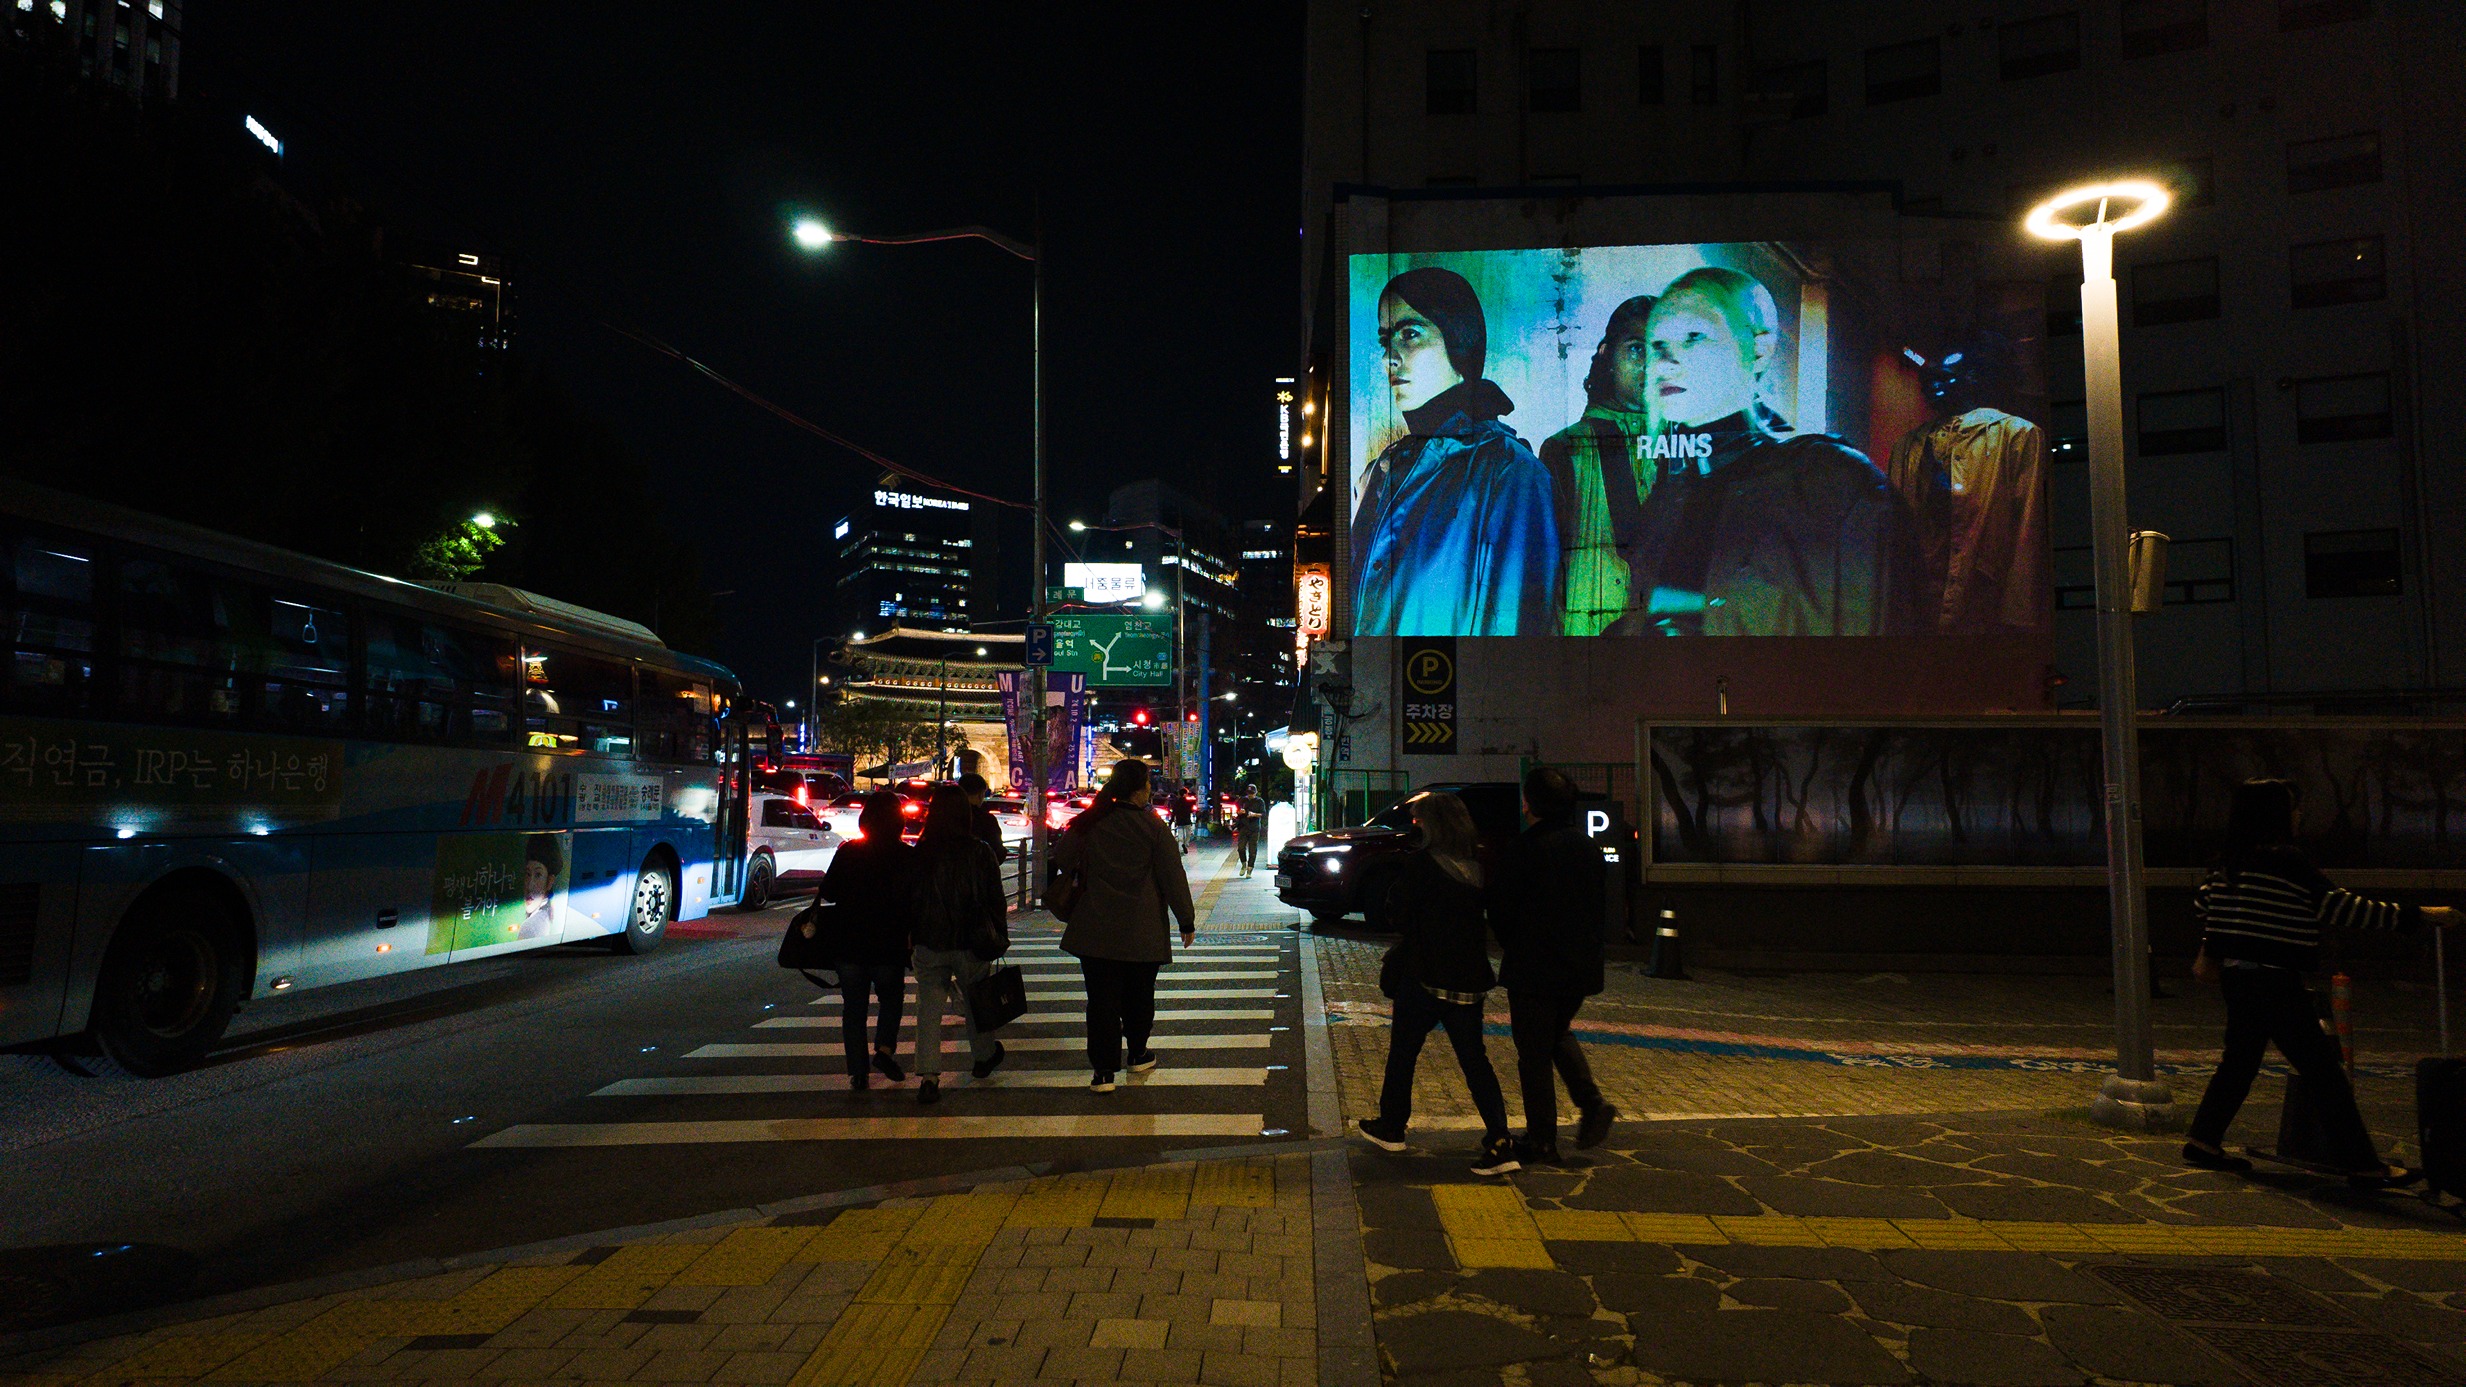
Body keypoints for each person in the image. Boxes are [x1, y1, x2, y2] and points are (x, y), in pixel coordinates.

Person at [1620, 266, 1926, 637]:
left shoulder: (1835, 486)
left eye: (1693, 336)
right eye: (1657, 346)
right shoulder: (1672, 493)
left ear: (1760, 350)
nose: (1666, 363)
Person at [2181, 779, 2455, 1183]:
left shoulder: (2227, 864)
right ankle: (2362, 1163)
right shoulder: (2288, 862)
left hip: (2238, 979)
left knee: (2239, 1062)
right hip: (2276, 982)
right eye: (2292, 807)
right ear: (2274, 814)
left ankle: (2203, 1140)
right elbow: (2341, 907)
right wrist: (2418, 915)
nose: (2298, 814)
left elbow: (2204, 903)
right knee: (2323, 1071)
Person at [1352, 266, 1562, 636]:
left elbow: (1515, 629)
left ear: (1458, 340)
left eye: (1410, 334)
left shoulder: (1511, 473)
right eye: (1386, 341)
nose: (1391, 358)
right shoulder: (1379, 472)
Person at [1356, 792, 1521, 1176]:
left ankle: (1392, 1127)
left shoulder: (1421, 866)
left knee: (1403, 1053)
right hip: (1469, 979)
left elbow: (1397, 913)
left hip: (1426, 975)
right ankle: (1500, 1138)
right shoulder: (1477, 868)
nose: (1416, 827)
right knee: (1474, 1059)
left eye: (1420, 821)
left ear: (1433, 825)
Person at [1885, 332, 2051, 634]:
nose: (1931, 385)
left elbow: (2028, 530)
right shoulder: (1907, 446)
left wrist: (2018, 613)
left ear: (1972, 378)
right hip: (1920, 601)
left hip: (1982, 600)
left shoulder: (2016, 436)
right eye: (1928, 377)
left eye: (1943, 376)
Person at [1492, 766, 1617, 1163]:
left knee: (1532, 1052)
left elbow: (1502, 910)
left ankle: (1543, 1137)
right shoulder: (1587, 849)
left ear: (1529, 803)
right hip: (1578, 967)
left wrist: (1513, 943)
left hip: (1534, 966)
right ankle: (1591, 1104)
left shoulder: (1526, 848)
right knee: (1556, 1033)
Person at [1055, 757, 1196, 1091]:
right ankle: (1137, 1053)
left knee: (1101, 1001)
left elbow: (1061, 857)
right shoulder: (1153, 828)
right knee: (1139, 996)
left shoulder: (1090, 822)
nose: (1150, 789)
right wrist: (1185, 921)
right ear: (1138, 789)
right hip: (1141, 930)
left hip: (1095, 928)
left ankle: (1103, 1072)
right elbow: (1172, 877)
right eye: (1148, 783)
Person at [1540, 295, 1657, 636]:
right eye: (1637, 349)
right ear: (1607, 355)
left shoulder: (1687, 446)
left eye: (1661, 351)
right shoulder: (1565, 448)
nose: (1650, 365)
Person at [908, 785, 1010, 1104]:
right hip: (971, 941)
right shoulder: (980, 851)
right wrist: (999, 938)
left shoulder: (921, 851)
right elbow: (995, 899)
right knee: (977, 1000)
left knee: (929, 1008)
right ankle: (982, 1058)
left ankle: (928, 1075)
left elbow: (910, 899)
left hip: (929, 940)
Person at [817, 791, 914, 1091]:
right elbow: (915, 900)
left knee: (854, 1008)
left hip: (850, 943)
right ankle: (884, 1049)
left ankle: (858, 1072)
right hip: (889, 942)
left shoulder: (849, 852)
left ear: (865, 820)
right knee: (891, 999)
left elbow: (829, 892)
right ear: (898, 822)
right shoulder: (906, 855)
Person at [958, 772, 1011, 863]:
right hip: (977, 872)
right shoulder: (986, 820)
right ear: (980, 795)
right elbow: (996, 852)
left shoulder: (948, 816)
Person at [1235, 784, 1269, 877]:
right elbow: (1237, 810)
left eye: (1252, 793)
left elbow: (1263, 813)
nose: (1250, 795)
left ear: (1256, 792)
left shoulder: (1260, 801)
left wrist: (1254, 814)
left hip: (1254, 828)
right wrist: (1239, 812)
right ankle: (1243, 864)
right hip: (1243, 827)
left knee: (1252, 850)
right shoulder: (1243, 800)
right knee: (1241, 848)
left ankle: (1250, 869)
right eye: (1249, 793)